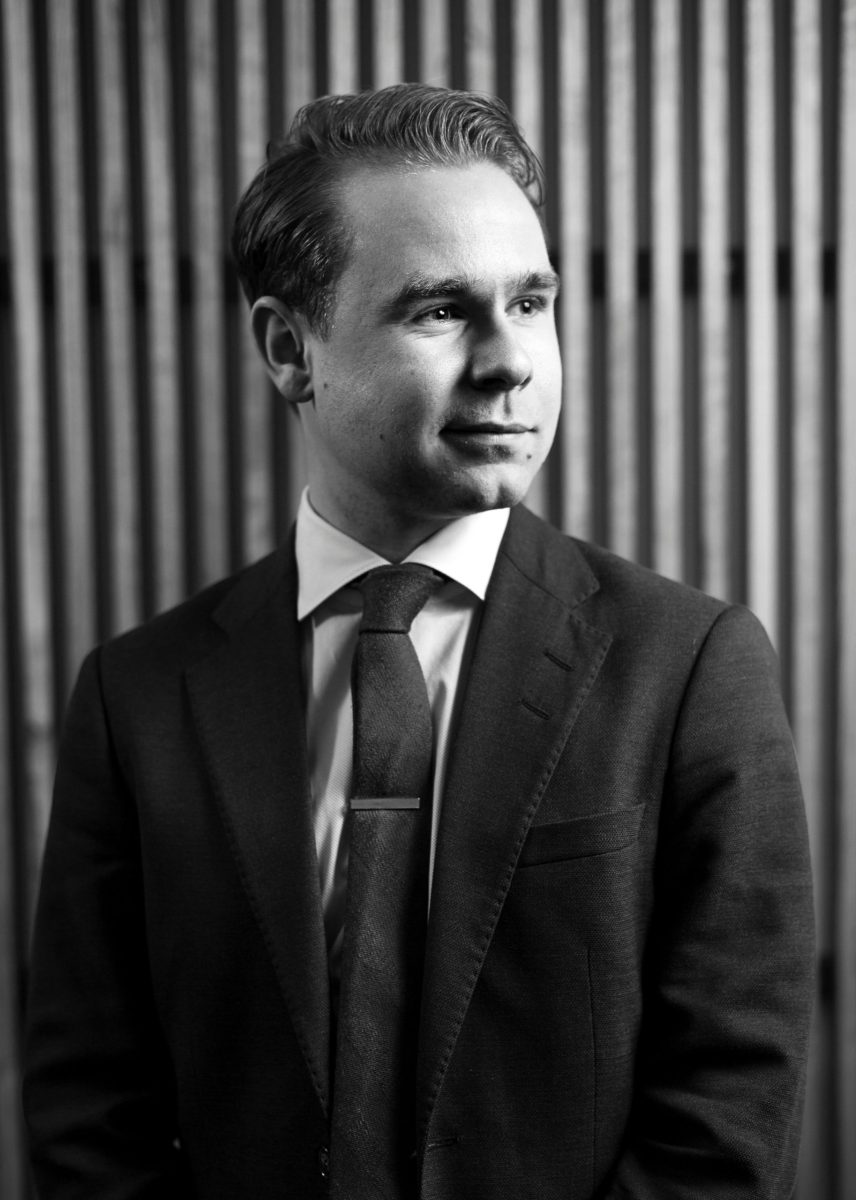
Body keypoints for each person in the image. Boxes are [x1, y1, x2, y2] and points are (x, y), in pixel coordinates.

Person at [23, 83, 814, 1200]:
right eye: (440, 311)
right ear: (290, 349)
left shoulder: (688, 667)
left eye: (531, 302)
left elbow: (726, 1110)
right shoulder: (139, 694)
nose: (511, 363)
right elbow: (87, 1113)